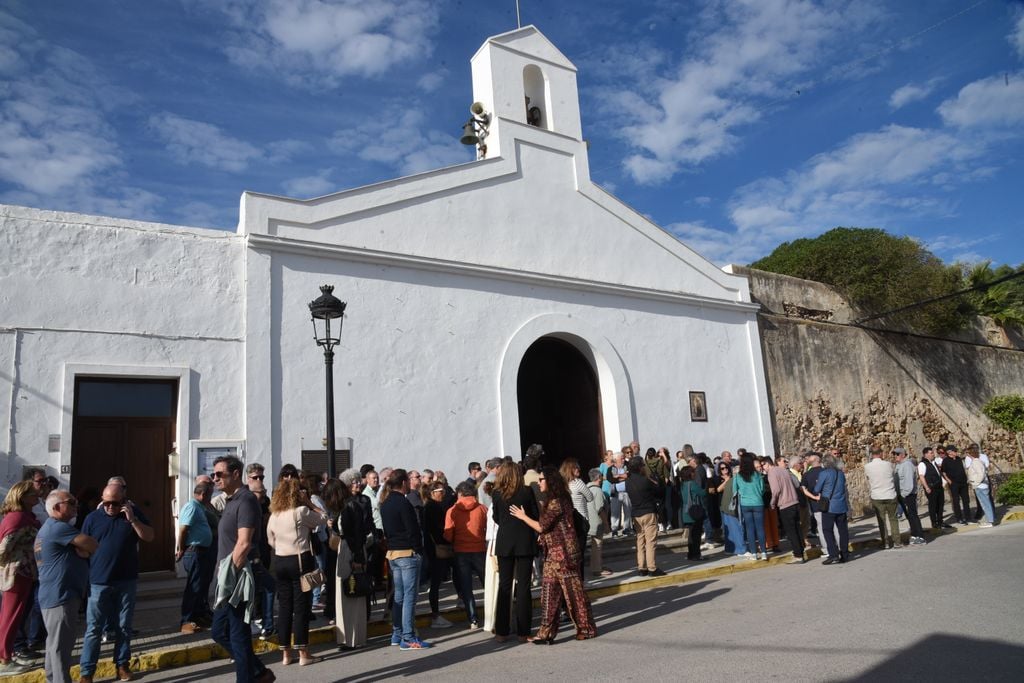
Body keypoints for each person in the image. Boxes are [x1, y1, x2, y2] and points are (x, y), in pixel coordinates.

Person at [509, 466, 597, 643]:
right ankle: (546, 633)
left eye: (541, 479)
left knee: (574, 594)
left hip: (564, 555)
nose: (538, 482)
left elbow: (542, 526)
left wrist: (523, 516)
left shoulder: (558, 501)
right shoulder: (554, 500)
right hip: (552, 555)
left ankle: (586, 629)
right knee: (549, 594)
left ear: (550, 481)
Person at [78, 483, 154, 683]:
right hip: (98, 582)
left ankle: (122, 665)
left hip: (126, 580)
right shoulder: (92, 518)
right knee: (94, 628)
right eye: (106, 503)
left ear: (124, 500)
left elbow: (149, 536)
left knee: (124, 626)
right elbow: (83, 547)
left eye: (115, 503)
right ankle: (87, 672)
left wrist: (133, 520)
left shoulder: (132, 514)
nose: (110, 507)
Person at [210, 455, 275, 683]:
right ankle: (259, 672)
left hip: (237, 578)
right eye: (214, 474)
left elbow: (244, 543)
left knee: (238, 634)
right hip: (225, 577)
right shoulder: (230, 500)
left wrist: (228, 580)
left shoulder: (246, 500)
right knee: (219, 632)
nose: (215, 478)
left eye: (220, 474)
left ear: (236, 474)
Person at [36, 490, 97, 683]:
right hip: (61, 595)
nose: (75, 505)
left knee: (54, 645)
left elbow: (86, 549)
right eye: (70, 502)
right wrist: (84, 550)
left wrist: (83, 551)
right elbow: (92, 545)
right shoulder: (58, 528)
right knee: (61, 648)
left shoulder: (52, 528)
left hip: (56, 594)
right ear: (56, 508)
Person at [266, 478, 326, 666]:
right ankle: (303, 653)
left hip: (280, 560)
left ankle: (285, 654)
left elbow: (270, 540)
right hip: (299, 559)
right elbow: (323, 518)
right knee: (301, 608)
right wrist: (309, 503)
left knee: (285, 607)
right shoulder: (300, 511)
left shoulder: (274, 514)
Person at [380, 469, 432, 650]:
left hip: (393, 552)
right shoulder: (403, 502)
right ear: (403, 482)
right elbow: (413, 529)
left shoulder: (385, 503)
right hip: (407, 553)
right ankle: (408, 637)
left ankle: (397, 633)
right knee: (409, 596)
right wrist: (418, 550)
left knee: (400, 596)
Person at [490, 461, 537, 642]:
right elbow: (534, 515)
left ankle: (501, 630)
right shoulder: (526, 491)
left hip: (505, 541)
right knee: (524, 586)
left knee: (504, 585)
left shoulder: (497, 493)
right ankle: (523, 631)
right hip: (524, 540)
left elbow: (496, 517)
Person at [0, 481, 42, 674]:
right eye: (33, 494)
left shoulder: (26, 517)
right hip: (16, 574)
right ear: (22, 496)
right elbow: (3, 549)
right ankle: (4, 659)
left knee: (16, 618)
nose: (37, 497)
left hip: (25, 574)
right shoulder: (17, 519)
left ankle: (8, 654)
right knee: (10, 617)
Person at [444, 482, 488, 629]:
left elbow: (448, 535)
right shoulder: (482, 508)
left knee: (466, 587)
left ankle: (473, 619)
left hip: (461, 551)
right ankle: (492, 613)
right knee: (486, 583)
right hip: (480, 549)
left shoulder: (452, 511)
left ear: (460, 494)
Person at [334, 472, 369, 649]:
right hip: (348, 549)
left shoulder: (351, 506)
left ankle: (352, 638)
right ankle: (352, 637)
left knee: (351, 592)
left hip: (350, 550)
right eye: (353, 482)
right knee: (349, 593)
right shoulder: (347, 505)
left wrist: (357, 557)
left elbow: (356, 534)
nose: (357, 485)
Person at [176, 480, 215, 634]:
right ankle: (186, 621)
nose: (210, 498)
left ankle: (198, 617)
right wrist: (181, 548)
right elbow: (183, 529)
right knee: (194, 587)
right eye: (210, 495)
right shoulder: (192, 506)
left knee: (201, 587)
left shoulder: (200, 507)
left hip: (203, 552)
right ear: (203, 494)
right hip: (195, 552)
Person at [422, 480, 455, 629]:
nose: (444, 494)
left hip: (433, 549)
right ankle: (435, 615)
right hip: (436, 550)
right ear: (434, 493)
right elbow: (438, 530)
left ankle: (436, 614)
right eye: (441, 492)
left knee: (435, 583)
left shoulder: (431, 506)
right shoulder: (432, 508)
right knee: (435, 584)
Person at [625, 455, 664, 576]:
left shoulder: (628, 482)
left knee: (640, 541)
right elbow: (658, 490)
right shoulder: (645, 480)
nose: (644, 467)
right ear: (639, 467)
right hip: (648, 512)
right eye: (643, 465)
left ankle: (642, 567)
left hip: (636, 514)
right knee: (650, 541)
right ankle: (652, 567)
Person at [811, 454, 850, 565]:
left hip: (829, 507)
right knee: (843, 531)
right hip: (841, 505)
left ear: (824, 463)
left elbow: (816, 489)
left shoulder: (824, 473)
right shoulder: (841, 473)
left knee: (827, 530)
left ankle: (833, 555)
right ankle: (845, 554)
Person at [768, 454, 805, 563]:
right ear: (777, 462)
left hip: (785, 505)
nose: (786, 463)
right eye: (784, 461)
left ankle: (798, 555)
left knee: (791, 531)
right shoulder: (785, 471)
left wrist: (772, 503)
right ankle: (800, 552)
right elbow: (796, 484)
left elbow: (775, 490)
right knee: (796, 528)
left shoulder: (773, 472)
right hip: (794, 503)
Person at [864, 447, 902, 549]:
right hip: (890, 494)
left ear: (872, 455)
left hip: (877, 495)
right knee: (893, 519)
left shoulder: (867, 466)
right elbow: (893, 475)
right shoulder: (889, 464)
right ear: (881, 454)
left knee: (881, 520)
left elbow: (868, 478)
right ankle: (897, 542)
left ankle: (885, 542)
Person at [734, 453, 768, 560]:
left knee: (749, 529)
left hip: (745, 504)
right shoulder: (757, 475)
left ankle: (753, 553)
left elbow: (735, 490)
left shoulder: (738, 475)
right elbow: (762, 489)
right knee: (760, 528)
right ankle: (763, 553)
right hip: (758, 502)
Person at [893, 448, 925, 544]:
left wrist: (904, 495)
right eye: (894, 454)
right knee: (909, 516)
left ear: (903, 455)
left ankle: (920, 536)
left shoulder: (907, 465)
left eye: (897, 454)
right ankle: (914, 534)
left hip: (908, 495)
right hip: (902, 495)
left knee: (913, 515)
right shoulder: (899, 466)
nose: (895, 456)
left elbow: (909, 483)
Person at [712, 461, 744, 557]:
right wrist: (727, 481)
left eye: (726, 467)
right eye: (722, 468)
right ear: (719, 470)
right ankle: (731, 548)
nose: (724, 469)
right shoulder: (718, 479)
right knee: (728, 527)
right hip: (724, 504)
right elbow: (718, 490)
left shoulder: (733, 477)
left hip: (734, 504)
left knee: (734, 526)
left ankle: (734, 547)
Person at [585, 468, 611, 578]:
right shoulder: (597, 490)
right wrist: (606, 524)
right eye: (601, 476)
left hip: (589, 522)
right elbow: (600, 509)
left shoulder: (587, 488)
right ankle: (597, 569)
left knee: (596, 546)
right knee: (597, 546)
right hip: (596, 522)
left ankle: (598, 565)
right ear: (599, 477)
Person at [918, 447, 950, 530]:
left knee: (940, 504)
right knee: (933, 506)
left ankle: (940, 521)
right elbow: (921, 476)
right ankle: (934, 523)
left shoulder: (934, 462)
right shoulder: (922, 464)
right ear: (926, 454)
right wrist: (926, 487)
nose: (933, 454)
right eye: (931, 453)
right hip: (931, 488)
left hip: (939, 487)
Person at [678, 465, 706, 561]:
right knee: (696, 535)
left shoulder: (682, 484)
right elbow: (702, 493)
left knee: (690, 535)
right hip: (694, 512)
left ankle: (690, 554)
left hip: (686, 512)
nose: (695, 473)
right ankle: (696, 555)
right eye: (693, 472)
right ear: (690, 474)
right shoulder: (692, 483)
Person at [941, 445, 972, 525]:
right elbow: (943, 472)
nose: (956, 452)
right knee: (956, 501)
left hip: (963, 482)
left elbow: (964, 468)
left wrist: (967, 478)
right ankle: (959, 518)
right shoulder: (946, 461)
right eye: (954, 451)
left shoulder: (959, 459)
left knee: (966, 500)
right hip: (954, 483)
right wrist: (948, 480)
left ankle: (968, 517)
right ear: (949, 452)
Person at [965, 452, 996, 528]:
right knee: (985, 503)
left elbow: (980, 474)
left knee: (985, 504)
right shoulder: (979, 461)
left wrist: (976, 483)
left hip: (980, 486)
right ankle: (990, 519)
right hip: (982, 485)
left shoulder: (976, 462)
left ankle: (990, 521)